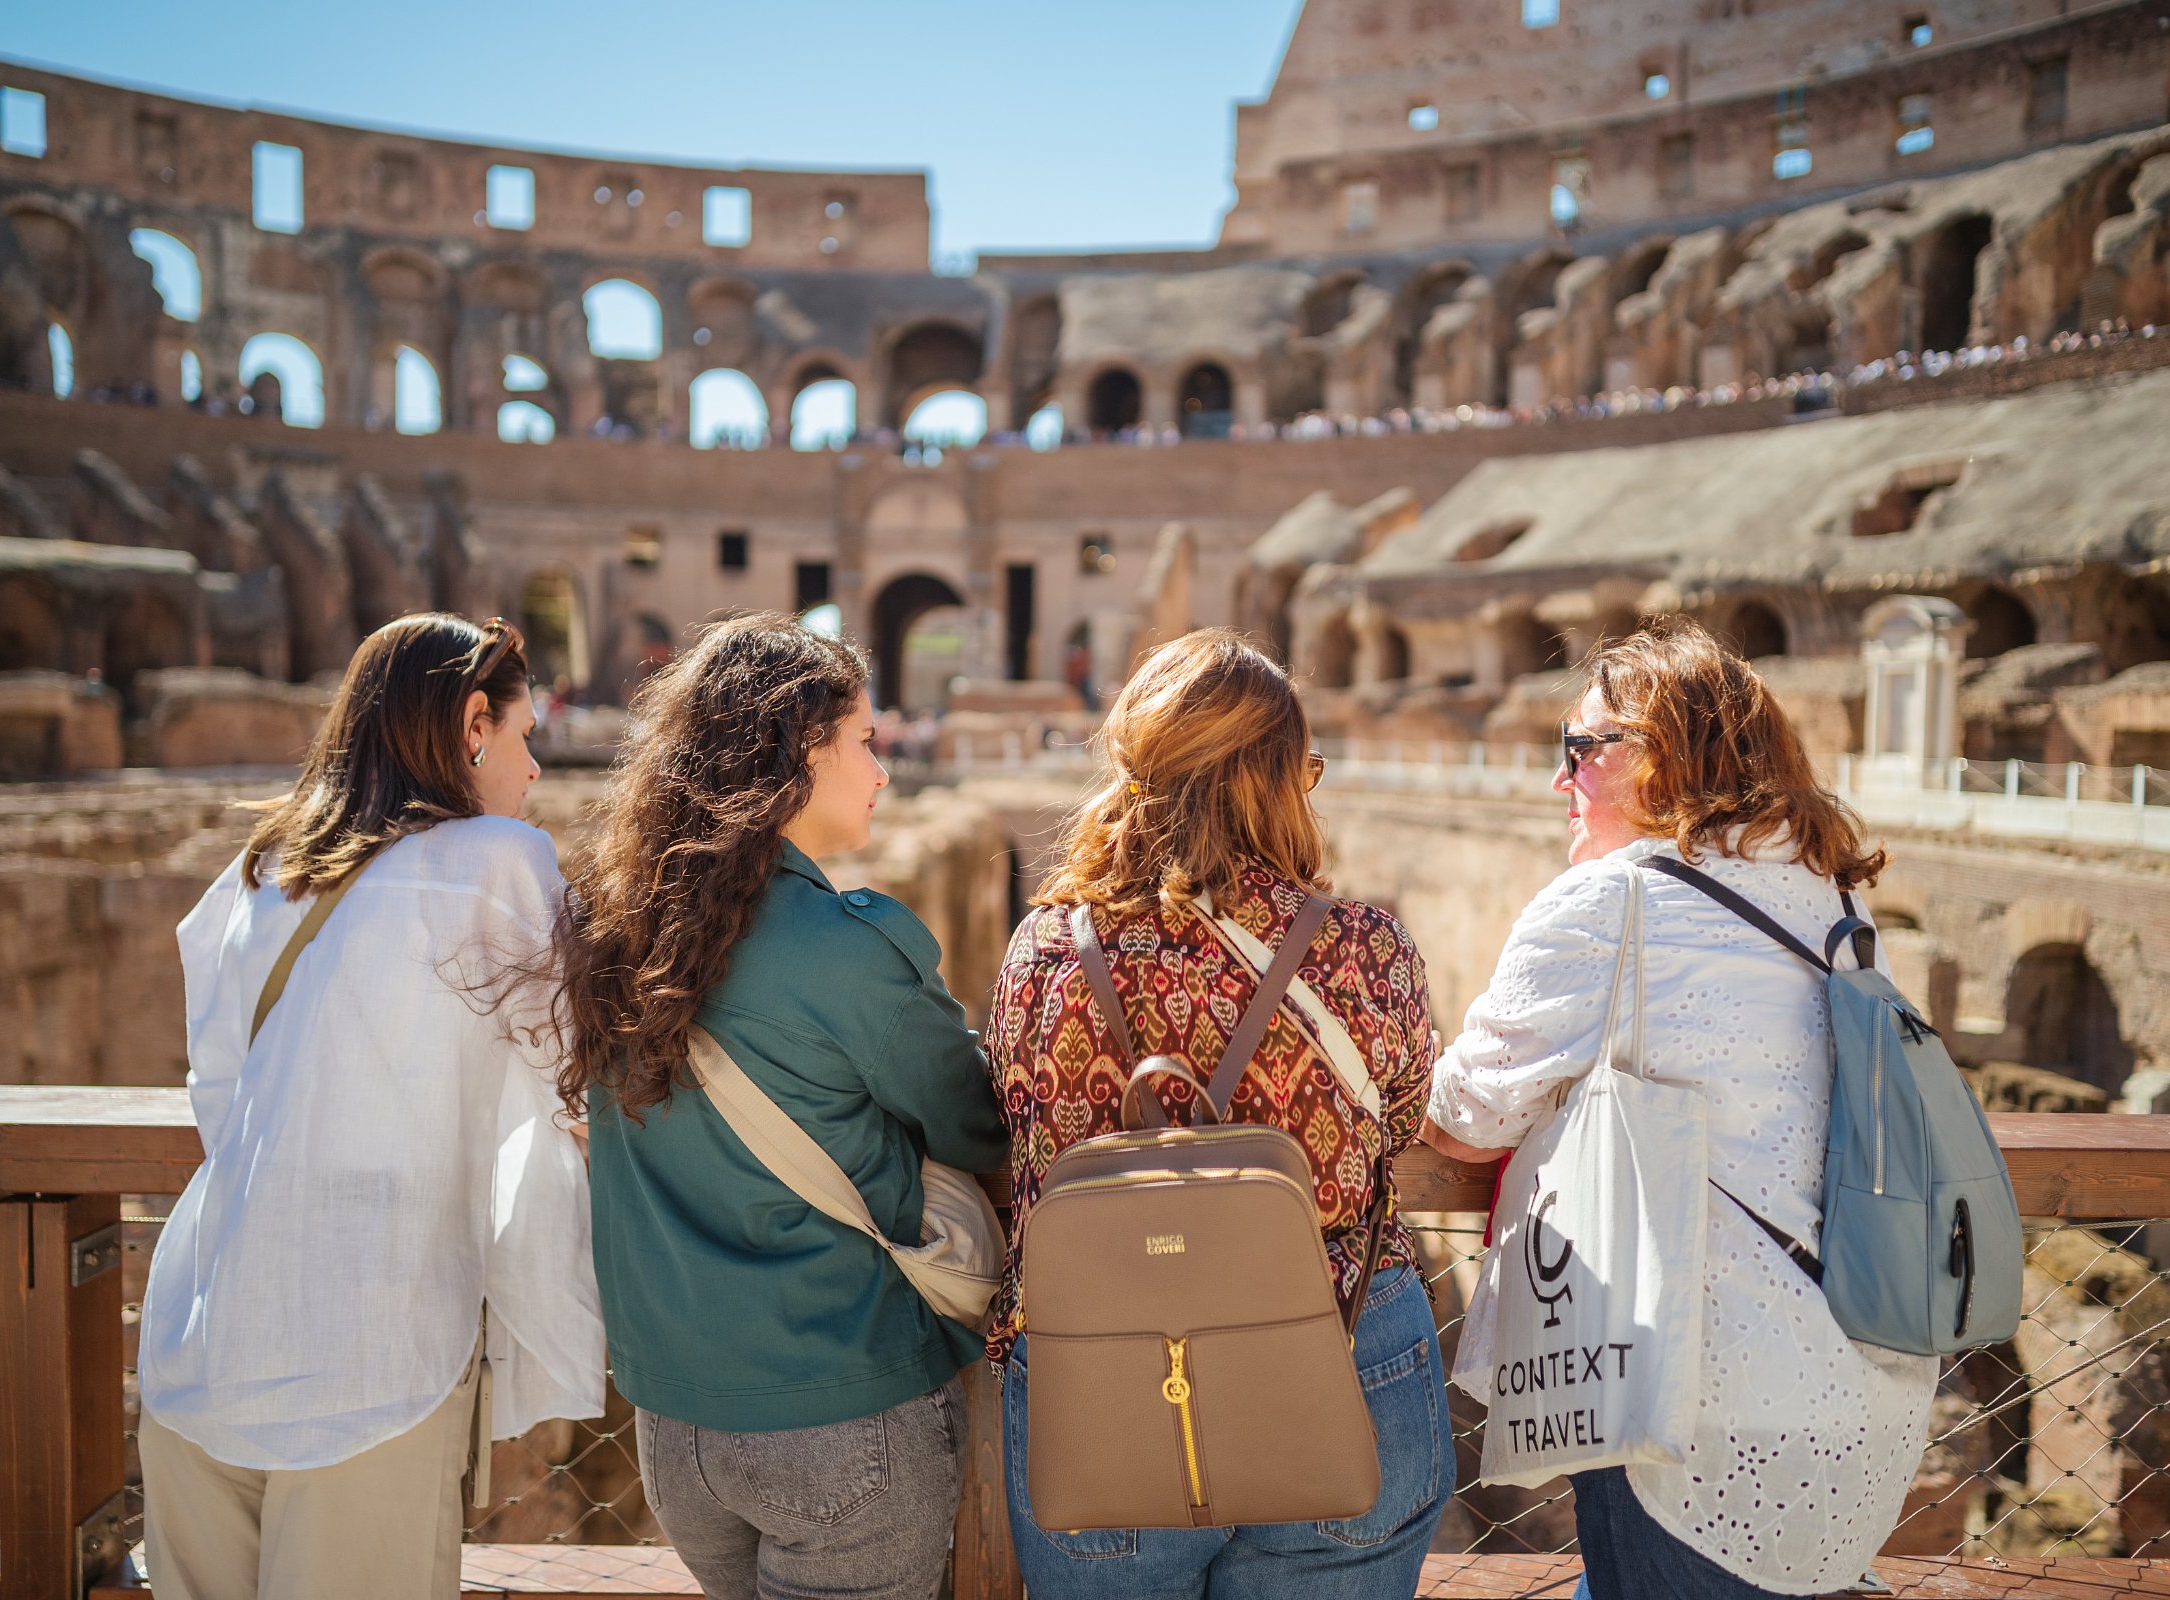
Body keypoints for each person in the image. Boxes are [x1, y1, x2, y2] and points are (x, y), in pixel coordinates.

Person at [1422, 617, 1938, 1600]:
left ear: (1663, 755)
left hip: (1690, 1416)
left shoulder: (1609, 905)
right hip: (1865, 1393)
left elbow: (1460, 1117)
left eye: (1581, 748)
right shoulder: (1834, 902)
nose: (1558, 778)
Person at [137, 614, 603, 1600]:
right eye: (524, 738)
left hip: (200, 1335)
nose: (532, 774)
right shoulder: (496, 863)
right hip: (367, 1360)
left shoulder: (260, 871)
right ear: (474, 723)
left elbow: (221, 1096)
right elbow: (588, 1070)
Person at [986, 629, 1451, 1598]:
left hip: (1108, 1374)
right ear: (1280, 781)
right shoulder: (1364, 949)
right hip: (1340, 1344)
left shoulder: (1044, 953)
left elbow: (1021, 1128)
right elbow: (1401, 1124)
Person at [558, 614, 1007, 1599]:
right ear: (803, 751)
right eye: (865, 742)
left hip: (676, 1428)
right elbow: (977, 1124)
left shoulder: (616, 930)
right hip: (838, 1409)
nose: (881, 771)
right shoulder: (846, 944)